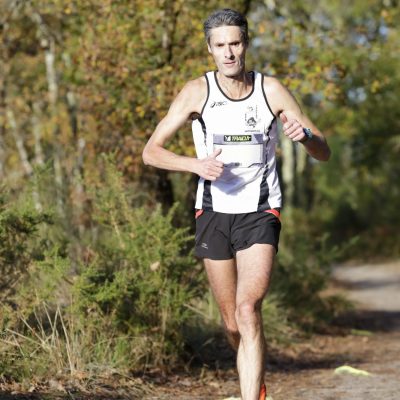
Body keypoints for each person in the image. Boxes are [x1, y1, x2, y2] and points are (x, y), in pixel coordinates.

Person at [142, 8, 330, 400]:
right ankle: (257, 386)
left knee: (248, 309)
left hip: (260, 210)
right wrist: (195, 164)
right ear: (210, 49)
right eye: (220, 45)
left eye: (235, 43)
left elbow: (322, 150)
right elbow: (151, 152)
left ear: (246, 44)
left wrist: (305, 135)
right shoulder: (197, 91)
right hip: (212, 212)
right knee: (231, 323)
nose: (229, 53)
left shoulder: (270, 89)